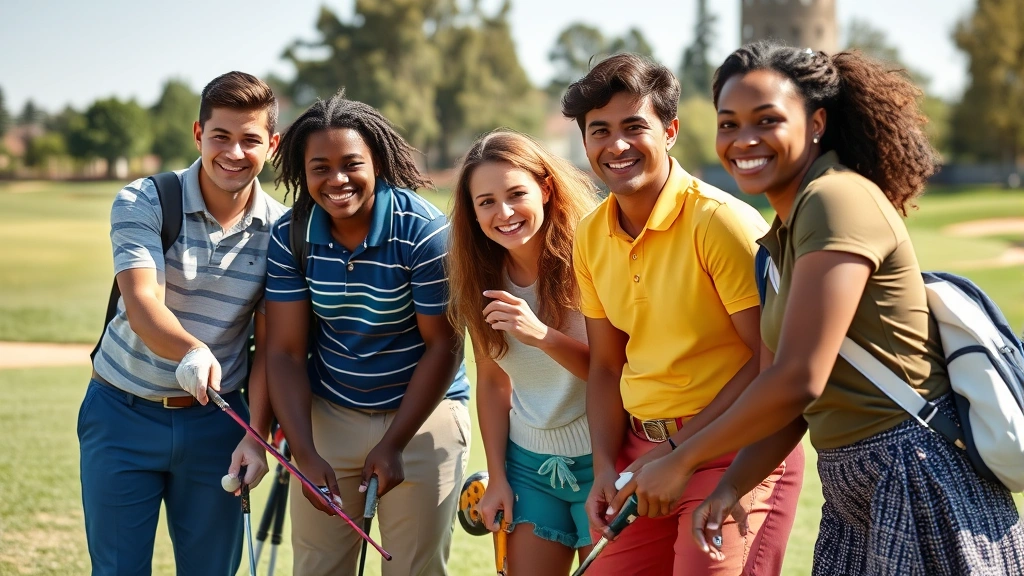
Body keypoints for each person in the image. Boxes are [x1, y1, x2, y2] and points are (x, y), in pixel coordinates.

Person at [625, 40, 1024, 575]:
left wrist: (683, 460)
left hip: (913, 476)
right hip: (853, 488)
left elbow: (797, 379)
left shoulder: (835, 200)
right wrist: (730, 487)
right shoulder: (783, 236)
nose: (744, 140)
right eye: (729, 123)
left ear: (815, 122)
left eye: (767, 120)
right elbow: (789, 401)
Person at [560, 53, 803, 575]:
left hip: (735, 446)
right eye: (599, 130)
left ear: (669, 131)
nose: (616, 145)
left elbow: (767, 362)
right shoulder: (589, 234)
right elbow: (605, 365)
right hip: (640, 451)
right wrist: (606, 466)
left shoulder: (720, 223)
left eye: (634, 127)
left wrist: (679, 451)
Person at [80, 71, 284, 575]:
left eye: (250, 140)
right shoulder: (144, 199)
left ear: (272, 145)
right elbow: (142, 300)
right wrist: (194, 350)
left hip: (219, 425)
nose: (234, 152)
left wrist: (257, 435)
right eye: (221, 136)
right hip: (122, 413)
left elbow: (272, 346)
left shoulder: (283, 230)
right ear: (198, 134)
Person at [264, 90, 470, 576]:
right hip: (330, 413)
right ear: (302, 170)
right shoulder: (290, 236)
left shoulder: (422, 231)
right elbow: (285, 353)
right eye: (320, 167)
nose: (336, 180)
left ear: (376, 160)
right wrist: (306, 453)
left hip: (423, 416)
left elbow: (445, 345)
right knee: (317, 569)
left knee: (412, 570)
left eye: (351, 163)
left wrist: (394, 443)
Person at [447, 129, 600, 574]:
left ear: (546, 189)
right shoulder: (477, 279)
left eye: (517, 193)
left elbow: (615, 372)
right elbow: (494, 383)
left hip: (606, 461)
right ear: (473, 213)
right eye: (486, 202)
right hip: (528, 468)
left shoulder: (591, 260)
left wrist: (542, 336)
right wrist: (497, 476)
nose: (504, 212)